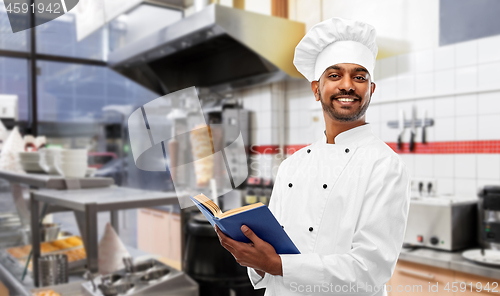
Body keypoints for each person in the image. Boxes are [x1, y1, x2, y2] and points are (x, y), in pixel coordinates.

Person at [215, 17, 410, 296]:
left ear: (371, 90)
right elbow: (271, 257)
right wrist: (255, 260)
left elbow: (371, 270)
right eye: (334, 75)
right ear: (316, 89)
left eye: (359, 76)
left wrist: (278, 265)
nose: (347, 85)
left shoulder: (384, 165)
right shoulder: (292, 165)